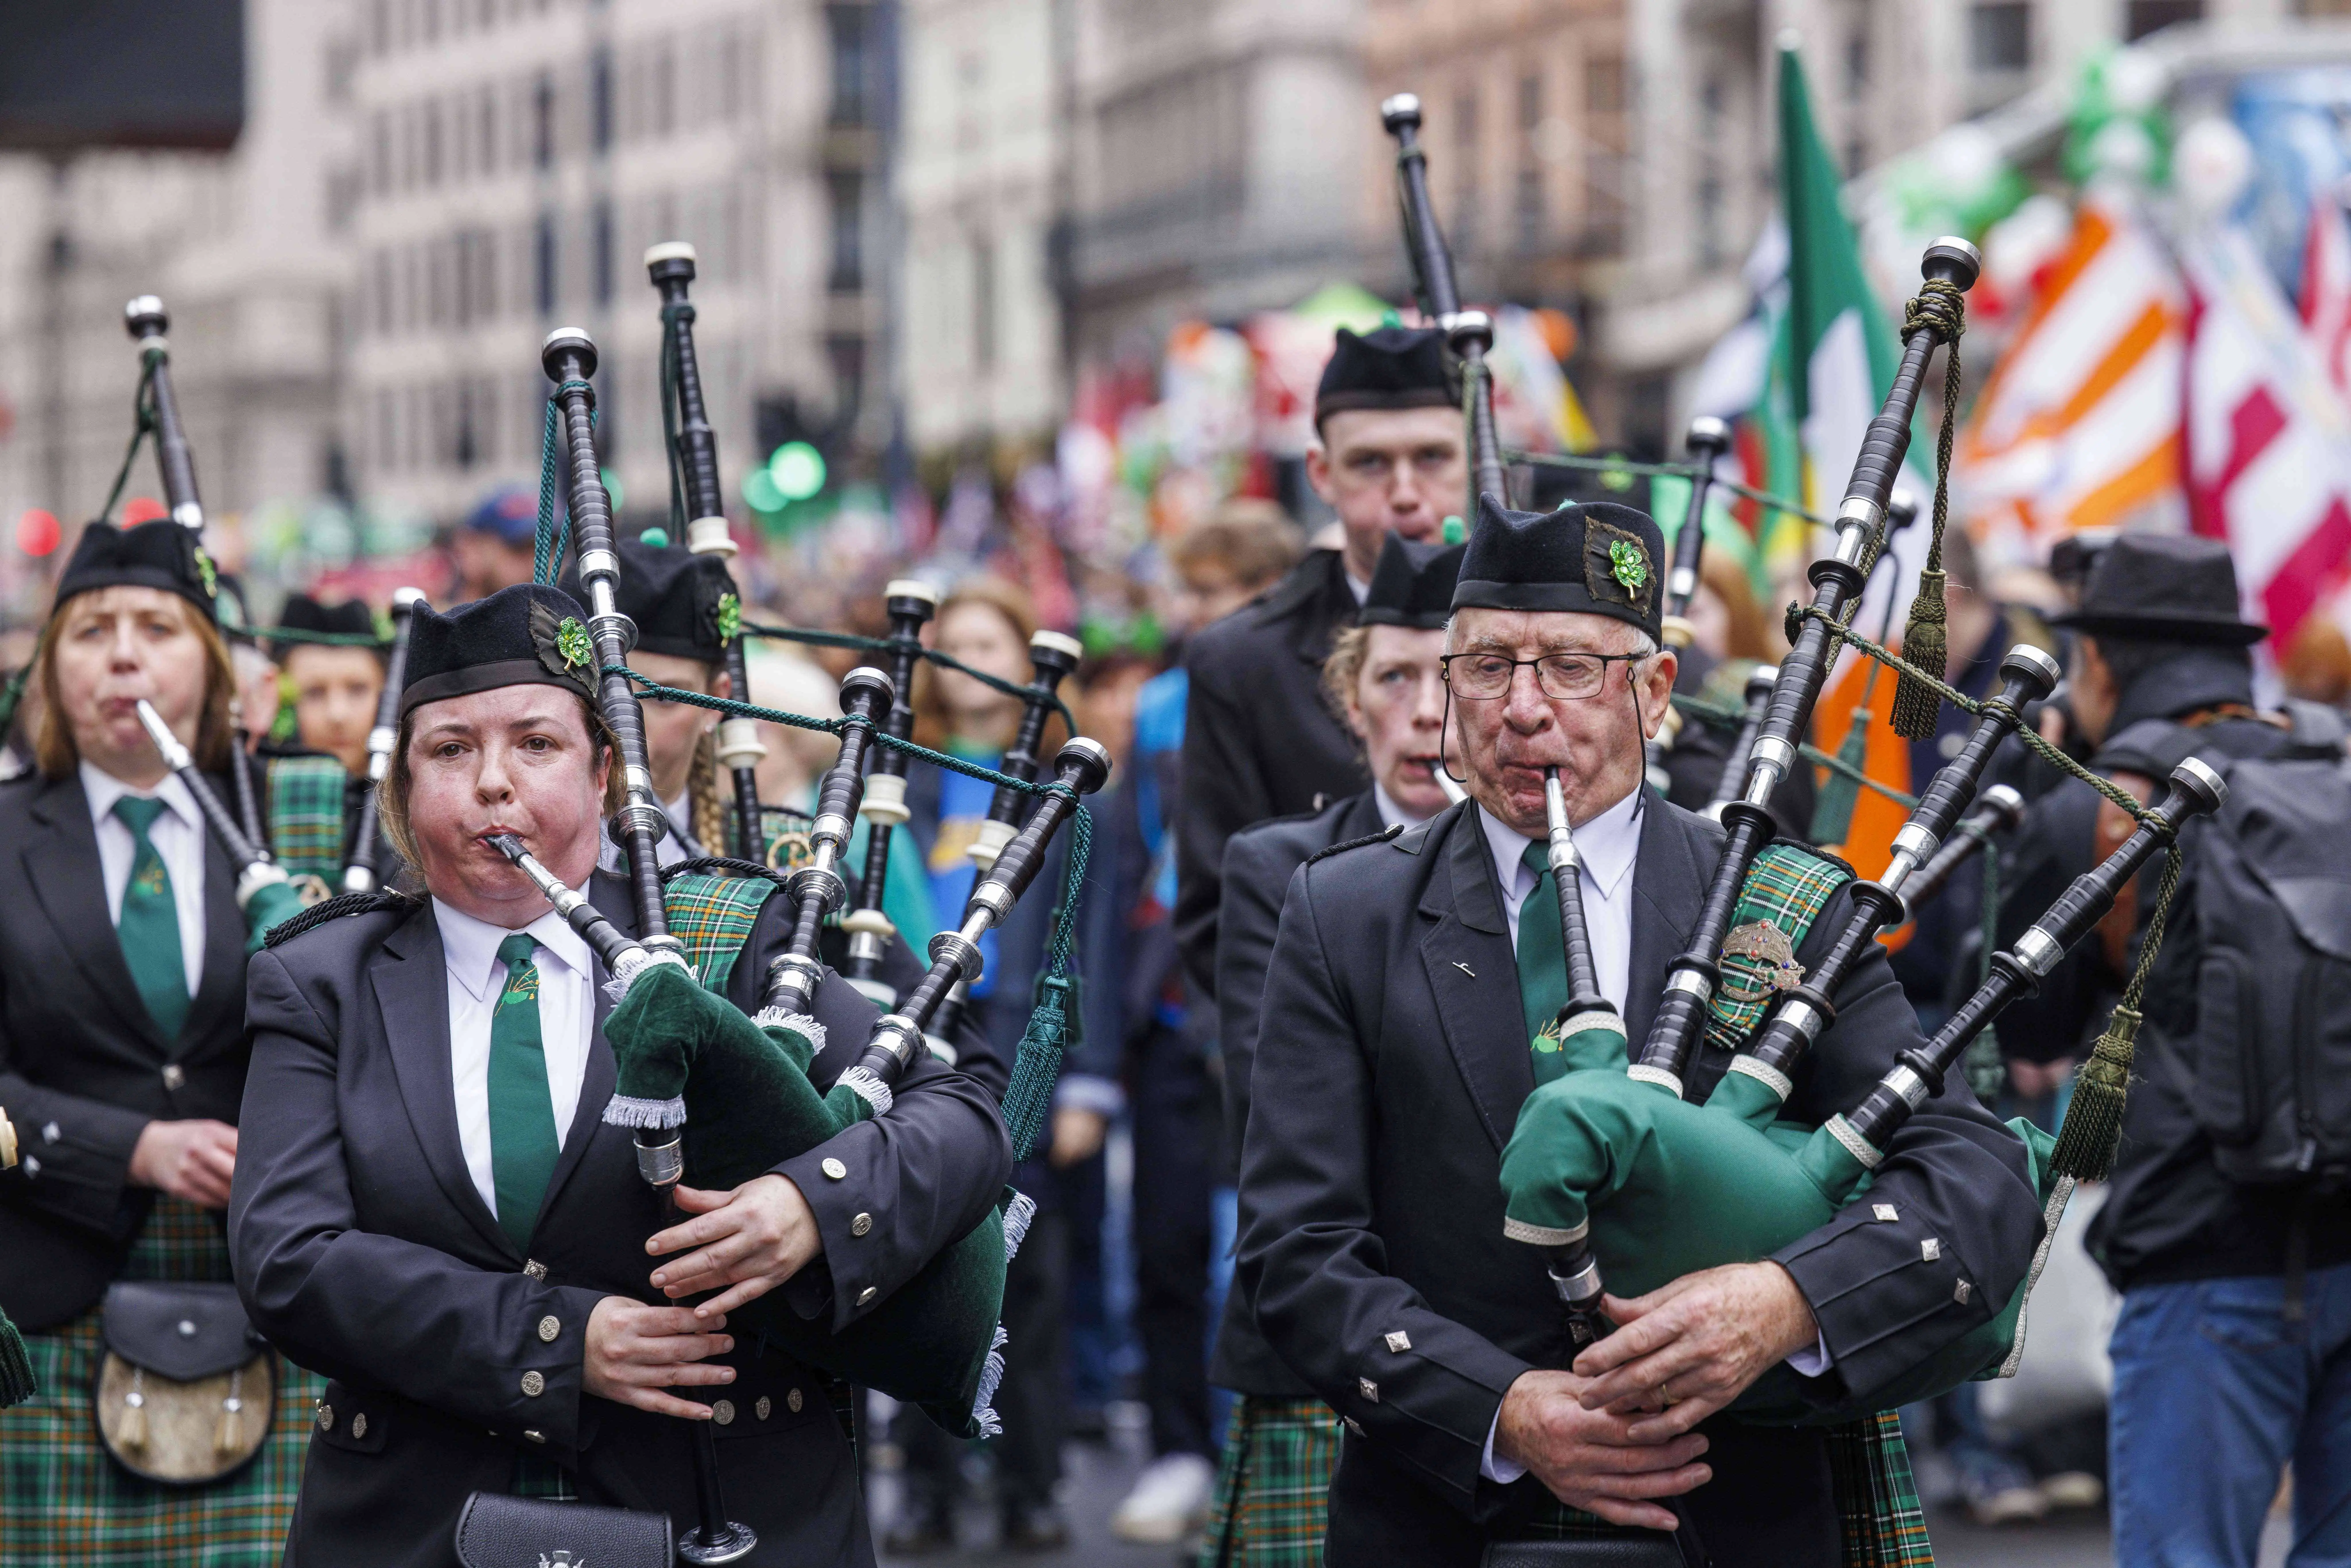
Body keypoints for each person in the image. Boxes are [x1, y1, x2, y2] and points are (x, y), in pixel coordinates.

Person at [1238, 497, 2044, 1566]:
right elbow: (1295, 1250)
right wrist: (1504, 1408)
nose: (1522, 708)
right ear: (1446, 689)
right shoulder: (1344, 914)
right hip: (1444, 1513)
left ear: (1654, 691)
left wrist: (1787, 1300)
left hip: (1745, 1509)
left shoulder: (1779, 898)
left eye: (1572, 665)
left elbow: (1971, 1174)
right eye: (1485, 666)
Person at [227, 583, 1013, 1565]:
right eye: (450, 749)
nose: (492, 784)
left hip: (725, 1503)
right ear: (401, 792)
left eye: (537, 744)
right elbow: (287, 1259)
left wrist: (811, 1205)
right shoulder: (320, 979)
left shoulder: (732, 936)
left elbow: (964, 1115)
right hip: (416, 1520)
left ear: (606, 772)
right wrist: (556, 1339)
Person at [1996, 535, 2351, 1568]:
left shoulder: (2100, 809)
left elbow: (2028, 1031)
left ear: (2097, 659)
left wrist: (2043, 775)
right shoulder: (2334, 762)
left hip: (2204, 1253)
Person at [0, 520, 323, 1564]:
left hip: (277, 1287)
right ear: (51, 669)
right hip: (56, 1288)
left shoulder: (307, 820)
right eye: (91, 629)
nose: (124, 652)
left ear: (220, 667)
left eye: (159, 626)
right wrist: (131, 1144)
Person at [1198, 533, 1461, 1567]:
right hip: (1325, 1339)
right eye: (1394, 675)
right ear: (1350, 701)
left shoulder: (1554, 869)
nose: (1427, 710)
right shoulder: (1277, 867)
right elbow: (1281, 1116)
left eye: (1454, 675)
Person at [1101, 502, 1308, 1543]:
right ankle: (1181, 1444)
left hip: (1277, 997)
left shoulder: (1308, 684)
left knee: (1267, 1242)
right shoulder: (1161, 704)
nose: (1193, 611)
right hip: (1178, 1003)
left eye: (1217, 589)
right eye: (1188, 590)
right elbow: (1136, 861)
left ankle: (1264, 1444)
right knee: (1169, 1240)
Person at [888, 577, 1098, 1552]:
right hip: (919, 1041)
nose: (973, 659)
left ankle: (1031, 1481)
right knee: (911, 1274)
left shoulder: (1071, 778)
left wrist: (1085, 1081)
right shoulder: (906, 772)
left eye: (991, 640)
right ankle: (929, 1484)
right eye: (954, 642)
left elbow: (1093, 927)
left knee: (1033, 1282)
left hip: (1024, 1046)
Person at [1173, 325, 1464, 1003]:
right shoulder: (1242, 659)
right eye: (1369, 463)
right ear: (1320, 473)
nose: (1404, 492)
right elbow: (1219, 923)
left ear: (1475, 461)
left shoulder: (1542, 642)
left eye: (1432, 457)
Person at [266, 594, 406, 889]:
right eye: (314, 692)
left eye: (357, 690)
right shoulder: (256, 803)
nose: (337, 714)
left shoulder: (414, 805)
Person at [451, 484, 543, 603]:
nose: (540, 563)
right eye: (520, 549)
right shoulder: (431, 619)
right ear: (469, 550)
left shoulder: (564, 619)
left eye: (550, 549)